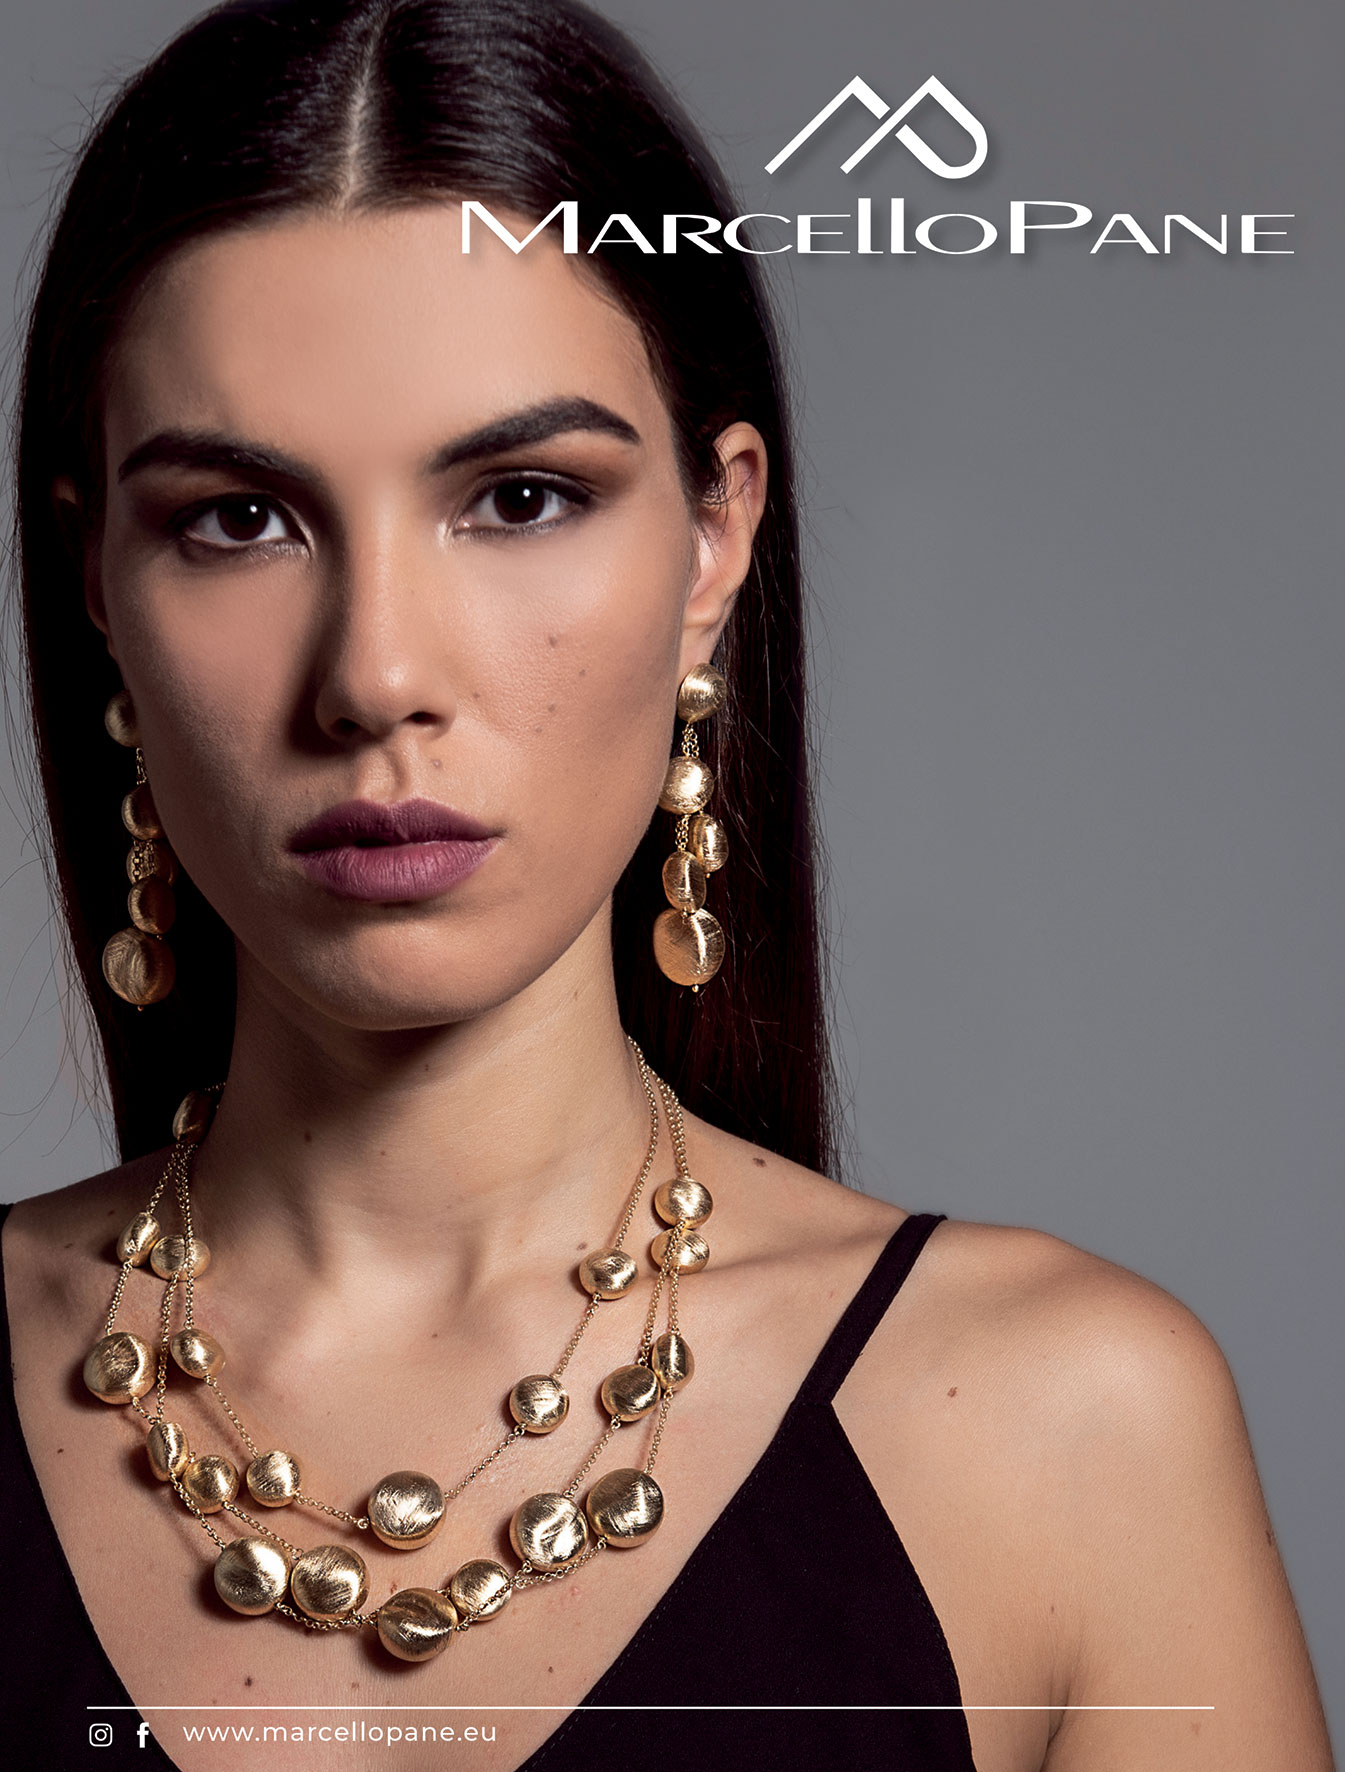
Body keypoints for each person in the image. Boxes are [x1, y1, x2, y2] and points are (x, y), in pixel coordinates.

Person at [0, 2, 1333, 1767]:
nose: (377, 674)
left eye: (519, 496)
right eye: (238, 520)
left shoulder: (1061, 1430)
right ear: (97, 575)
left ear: (714, 539)